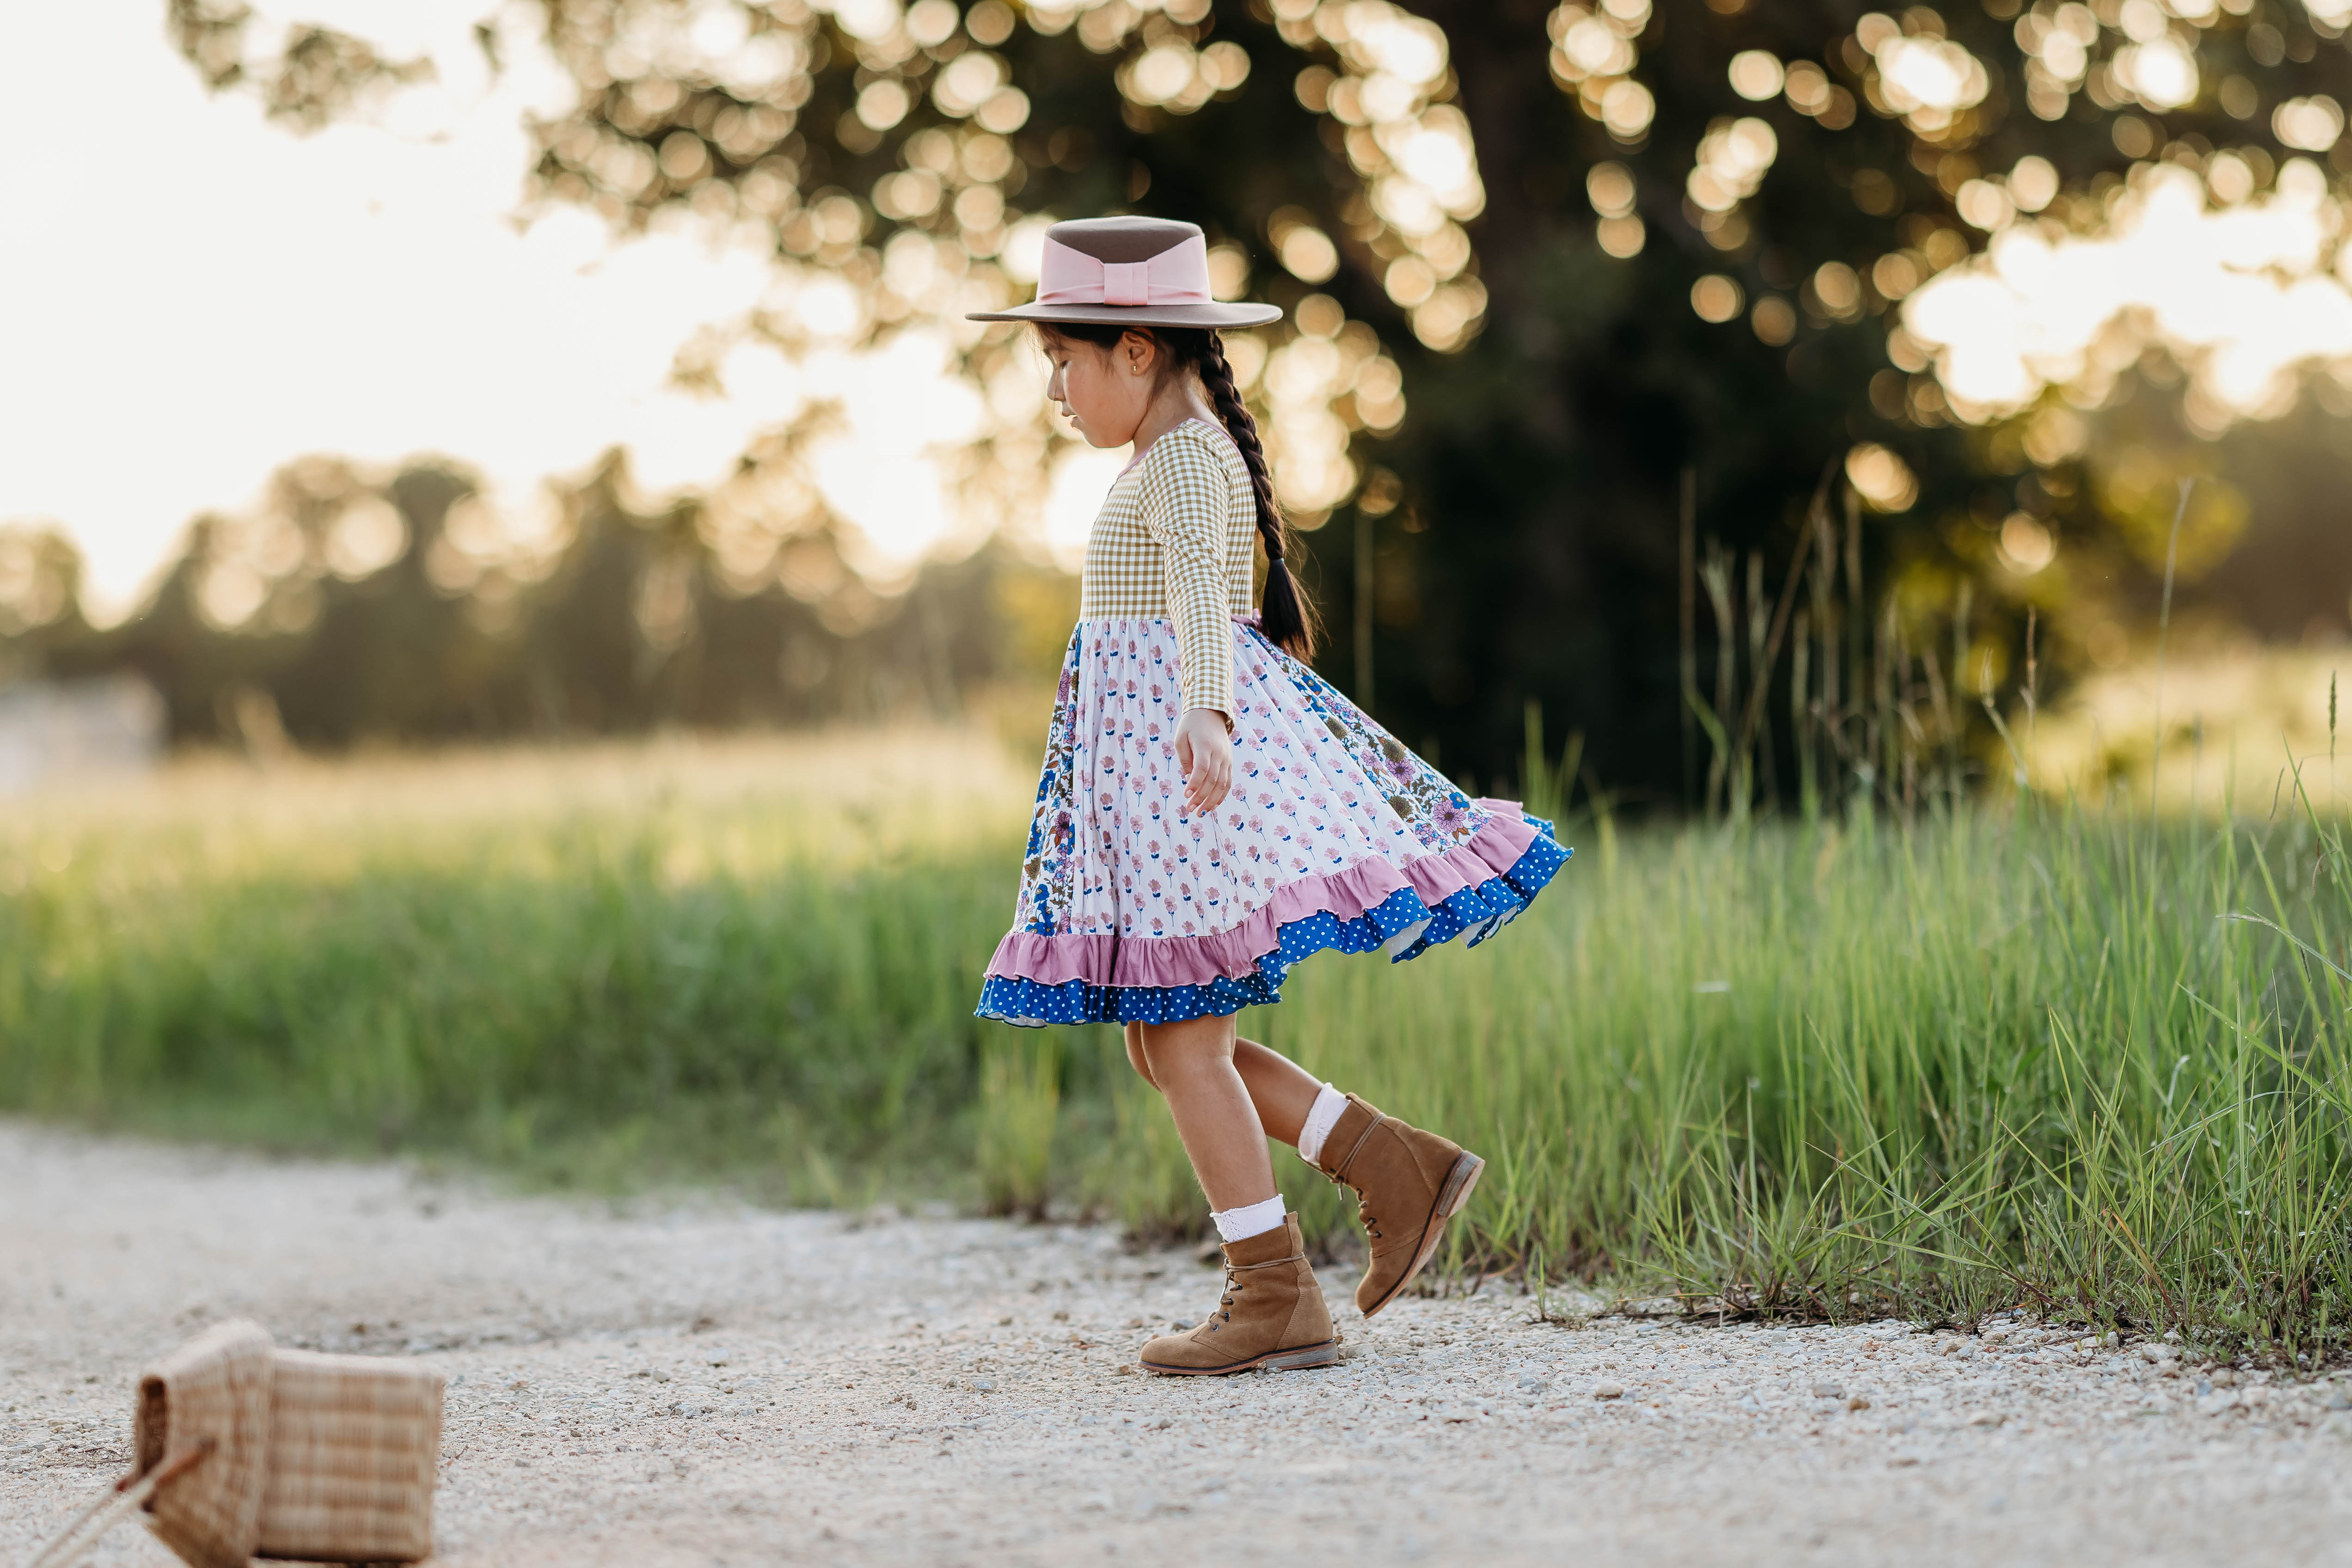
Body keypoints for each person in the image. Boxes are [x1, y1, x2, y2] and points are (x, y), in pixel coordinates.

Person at [969, 216, 1569, 1376]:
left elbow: (1204, 587)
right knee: (1166, 1040)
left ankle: (1275, 1291)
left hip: (1186, 776)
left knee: (1185, 1043)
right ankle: (1394, 1167)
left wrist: (1207, 707)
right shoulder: (1169, 453)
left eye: (1064, 360)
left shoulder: (1188, 458)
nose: (1054, 388)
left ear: (1136, 350)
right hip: (1155, 782)